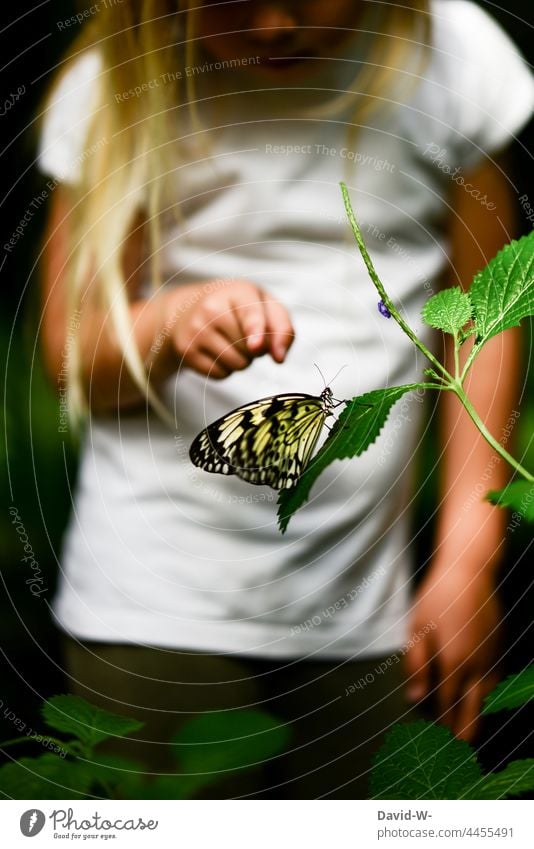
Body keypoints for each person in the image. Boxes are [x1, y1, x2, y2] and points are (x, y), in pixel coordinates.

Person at [38, 0, 533, 798]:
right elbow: (70, 353)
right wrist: (164, 324)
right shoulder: (125, 81)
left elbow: (486, 313)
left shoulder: (455, 55)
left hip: (369, 608)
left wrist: (468, 557)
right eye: (232, 1)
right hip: (153, 603)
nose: (274, 26)